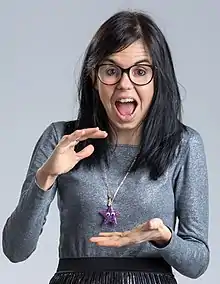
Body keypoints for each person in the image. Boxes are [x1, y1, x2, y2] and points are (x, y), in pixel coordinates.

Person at [2, 10, 209, 284]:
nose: (125, 84)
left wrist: (165, 237)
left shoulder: (184, 145)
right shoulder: (62, 140)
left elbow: (197, 263)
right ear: (93, 77)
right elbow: (16, 251)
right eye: (111, 71)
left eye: (140, 71)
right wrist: (45, 177)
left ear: (158, 79)